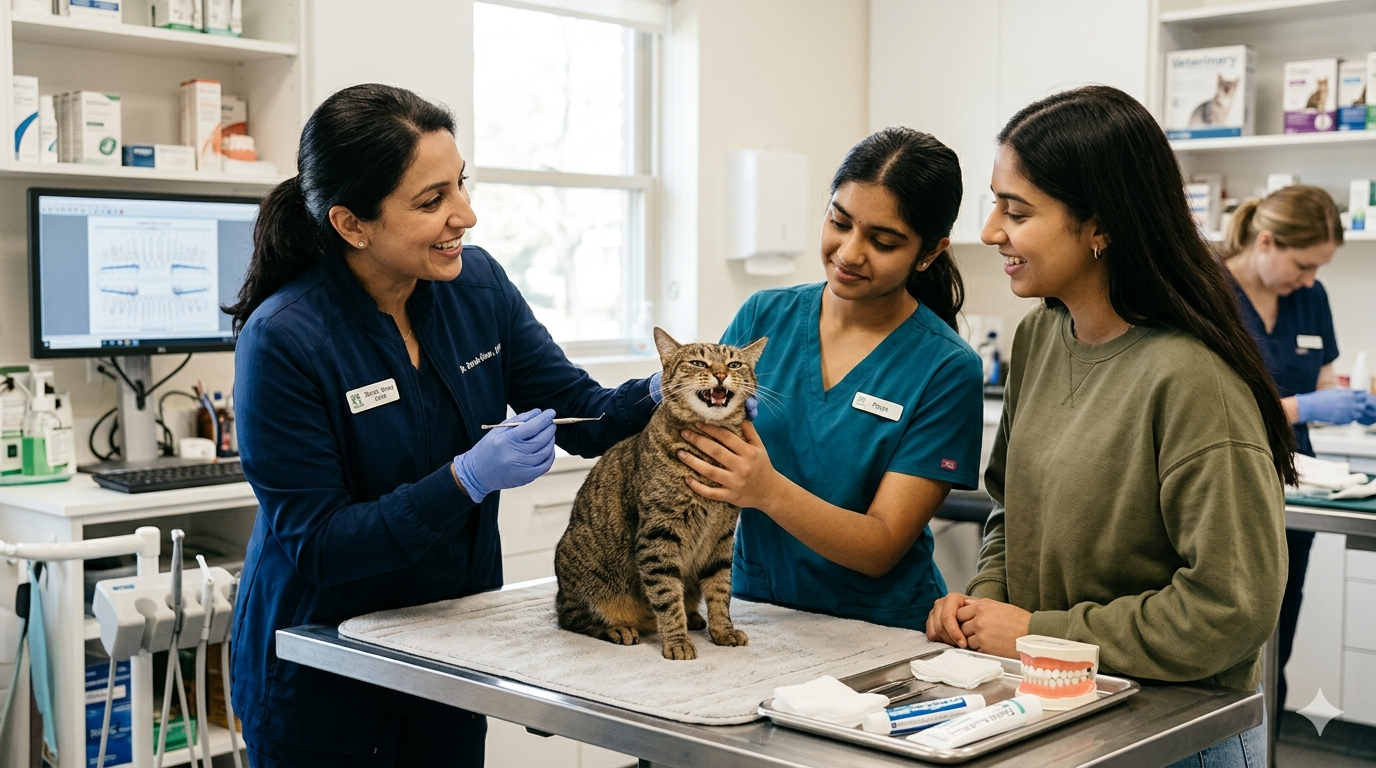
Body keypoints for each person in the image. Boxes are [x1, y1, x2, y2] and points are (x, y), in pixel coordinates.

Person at [226, 84, 661, 767]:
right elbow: (320, 544)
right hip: (325, 670)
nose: (466, 215)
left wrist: (662, 396)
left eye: (461, 184)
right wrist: (464, 480)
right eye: (432, 201)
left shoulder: (475, 287)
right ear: (352, 224)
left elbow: (580, 412)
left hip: (451, 653)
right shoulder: (284, 338)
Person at [927, 85, 1291, 767]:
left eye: (1016, 211)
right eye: (995, 204)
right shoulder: (1040, 337)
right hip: (1053, 708)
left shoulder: (1193, 379)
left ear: (1099, 227)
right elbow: (1011, 512)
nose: (992, 230)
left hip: (1171, 734)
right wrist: (983, 611)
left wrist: (1035, 633)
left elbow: (1230, 608)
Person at [675, 127, 984, 630]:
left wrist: (767, 490)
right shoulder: (763, 318)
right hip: (755, 610)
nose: (850, 252)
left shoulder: (946, 368)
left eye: (883, 241)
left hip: (876, 629)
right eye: (839, 222)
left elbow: (882, 545)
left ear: (928, 252)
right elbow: (694, 449)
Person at [1221, 185, 1376, 713]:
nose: (1310, 279)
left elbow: (1323, 384)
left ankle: (1267, 742)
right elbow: (1213, 408)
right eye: (1304, 265)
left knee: (1277, 643)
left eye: (1318, 268)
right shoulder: (1209, 291)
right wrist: (1303, 407)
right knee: (1230, 648)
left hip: (1293, 485)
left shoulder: (1311, 298)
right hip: (1228, 483)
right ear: (1266, 242)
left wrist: (1347, 404)